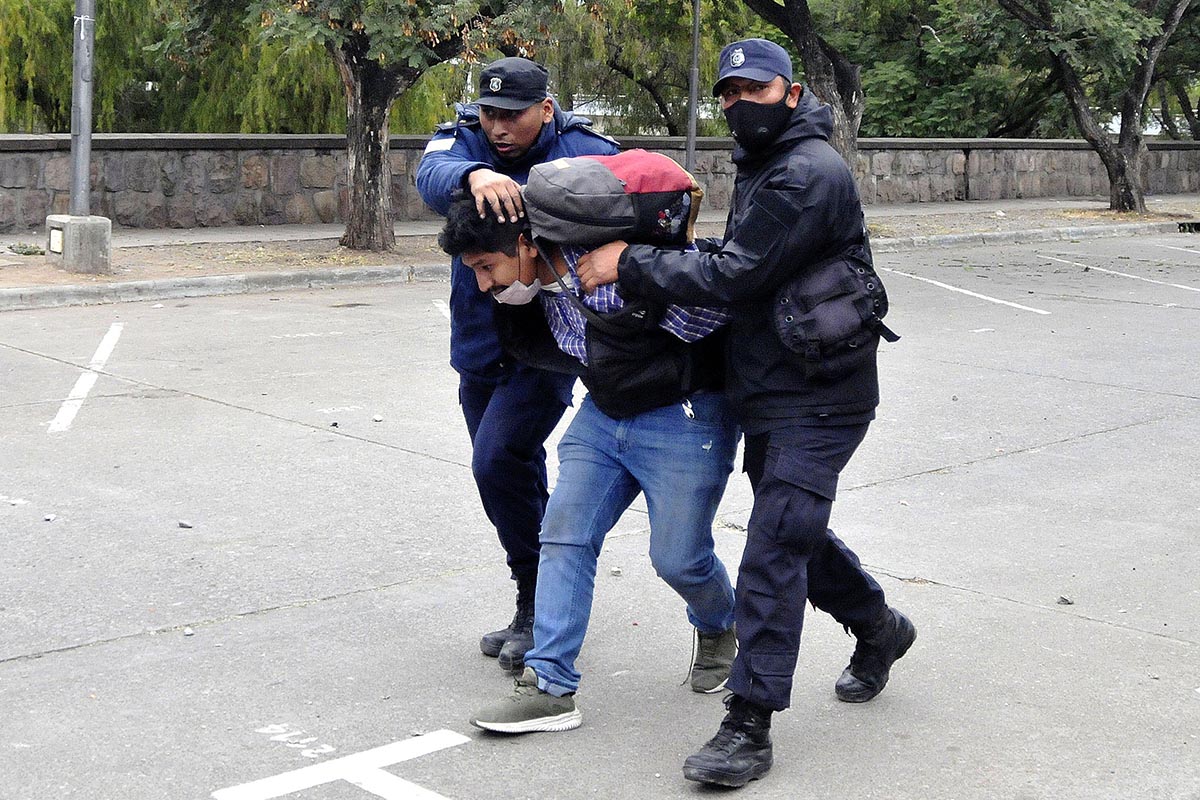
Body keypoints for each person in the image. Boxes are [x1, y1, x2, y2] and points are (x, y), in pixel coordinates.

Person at [576, 38, 917, 787]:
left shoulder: (805, 173)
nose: (737, 103)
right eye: (727, 92)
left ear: (790, 95)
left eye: (753, 91)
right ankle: (879, 627)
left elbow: (735, 274)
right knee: (793, 530)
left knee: (773, 544)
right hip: (771, 386)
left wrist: (627, 262)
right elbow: (749, 272)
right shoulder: (768, 162)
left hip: (821, 395)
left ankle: (748, 725)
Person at [436, 198, 740, 732]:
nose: (484, 284)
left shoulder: (605, 266)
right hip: (603, 413)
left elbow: (718, 305)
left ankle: (718, 623)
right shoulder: (532, 290)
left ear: (527, 247)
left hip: (684, 413)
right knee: (563, 535)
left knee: (679, 559)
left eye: (487, 267)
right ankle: (549, 685)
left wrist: (642, 274)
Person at [416, 57, 619, 672]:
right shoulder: (466, 140)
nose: (500, 127)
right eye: (491, 113)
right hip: (479, 339)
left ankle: (539, 604)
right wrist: (474, 172)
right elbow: (429, 173)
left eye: (514, 115)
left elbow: (633, 192)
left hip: (546, 346)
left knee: (497, 458)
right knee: (508, 470)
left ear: (547, 110)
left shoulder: (584, 148)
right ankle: (535, 598)